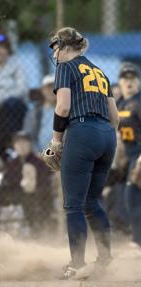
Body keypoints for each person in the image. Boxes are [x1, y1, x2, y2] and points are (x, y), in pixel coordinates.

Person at [42, 27, 119, 279]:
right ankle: (105, 260)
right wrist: (103, 137)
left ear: (65, 47)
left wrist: (56, 141)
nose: (55, 54)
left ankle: (76, 264)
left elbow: (63, 107)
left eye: (56, 48)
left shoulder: (66, 67)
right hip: (108, 137)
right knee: (91, 202)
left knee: (73, 205)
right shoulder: (99, 71)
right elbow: (114, 117)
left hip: (82, 131)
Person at [116, 62, 141, 248]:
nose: (129, 81)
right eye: (125, 78)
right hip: (130, 155)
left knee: (132, 195)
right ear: (120, 82)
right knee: (131, 196)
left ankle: (137, 240)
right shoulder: (120, 103)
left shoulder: (139, 102)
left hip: (139, 154)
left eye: (133, 78)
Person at [23, 74, 56, 151]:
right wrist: (37, 153)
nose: (51, 91)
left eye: (54, 88)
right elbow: (28, 136)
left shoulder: (68, 111)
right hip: (39, 155)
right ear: (42, 91)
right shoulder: (34, 113)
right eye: (48, 88)